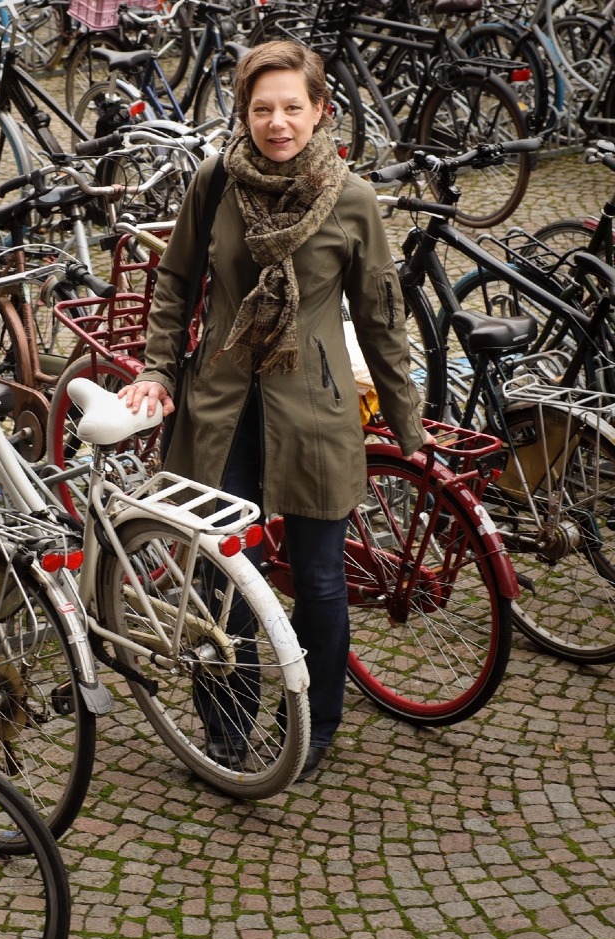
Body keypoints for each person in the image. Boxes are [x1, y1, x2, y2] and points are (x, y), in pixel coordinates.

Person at [120, 40, 426, 782]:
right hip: (219, 404)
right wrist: (159, 370)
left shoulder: (350, 198)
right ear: (243, 111)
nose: (278, 123)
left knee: (320, 579)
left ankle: (313, 721)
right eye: (263, 108)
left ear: (321, 110)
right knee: (225, 576)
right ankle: (226, 722)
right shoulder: (215, 181)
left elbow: (381, 316)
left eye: (293, 107)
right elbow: (176, 281)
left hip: (314, 411)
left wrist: (410, 426)